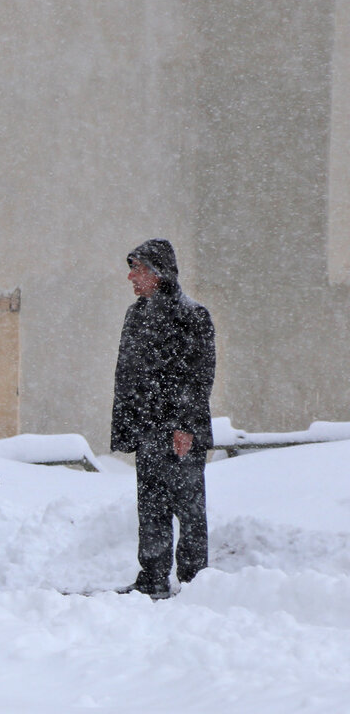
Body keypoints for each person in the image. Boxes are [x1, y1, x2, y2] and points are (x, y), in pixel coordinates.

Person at [111, 238, 216, 598]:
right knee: (151, 508)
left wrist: (186, 425)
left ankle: (194, 583)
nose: (131, 276)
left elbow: (199, 375)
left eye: (137, 268)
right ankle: (152, 578)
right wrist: (127, 425)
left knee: (188, 509)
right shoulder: (136, 315)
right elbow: (127, 374)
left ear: (158, 273)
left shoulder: (192, 315)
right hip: (147, 429)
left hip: (179, 432)